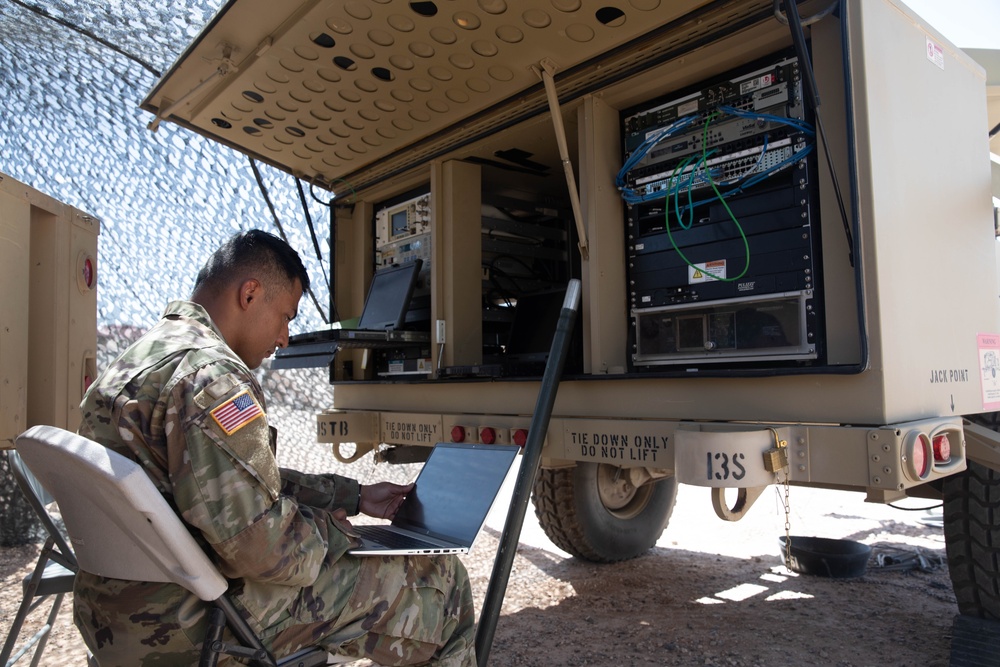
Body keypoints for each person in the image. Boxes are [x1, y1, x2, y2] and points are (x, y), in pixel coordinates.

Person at [74, 229, 476, 666]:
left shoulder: (140, 358)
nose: (285, 337)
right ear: (250, 294)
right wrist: (341, 532)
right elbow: (261, 549)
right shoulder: (212, 377)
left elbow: (226, 484)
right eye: (286, 316)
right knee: (441, 578)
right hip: (188, 623)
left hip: (114, 610)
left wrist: (353, 496)